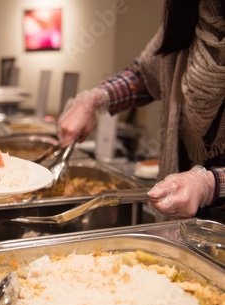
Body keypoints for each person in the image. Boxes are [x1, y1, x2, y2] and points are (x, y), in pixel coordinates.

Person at [56, 0, 225, 219]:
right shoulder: (190, 16)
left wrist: (209, 185)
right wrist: (94, 99)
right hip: (182, 216)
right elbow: (146, 75)